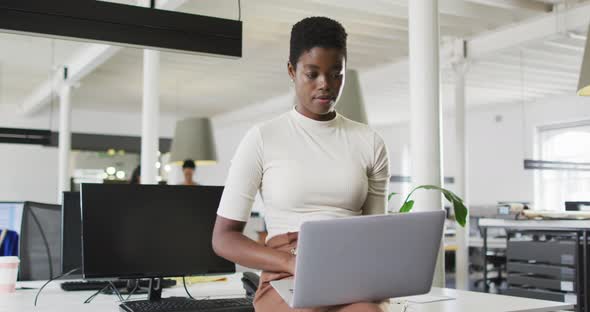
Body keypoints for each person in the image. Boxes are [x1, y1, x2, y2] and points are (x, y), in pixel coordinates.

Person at [212, 17, 389, 312]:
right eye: (313, 74)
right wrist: (290, 262)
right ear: (292, 71)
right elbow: (224, 238)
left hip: (351, 272)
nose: (326, 85)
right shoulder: (262, 138)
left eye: (336, 74)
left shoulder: (369, 142)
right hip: (287, 268)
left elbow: (375, 233)